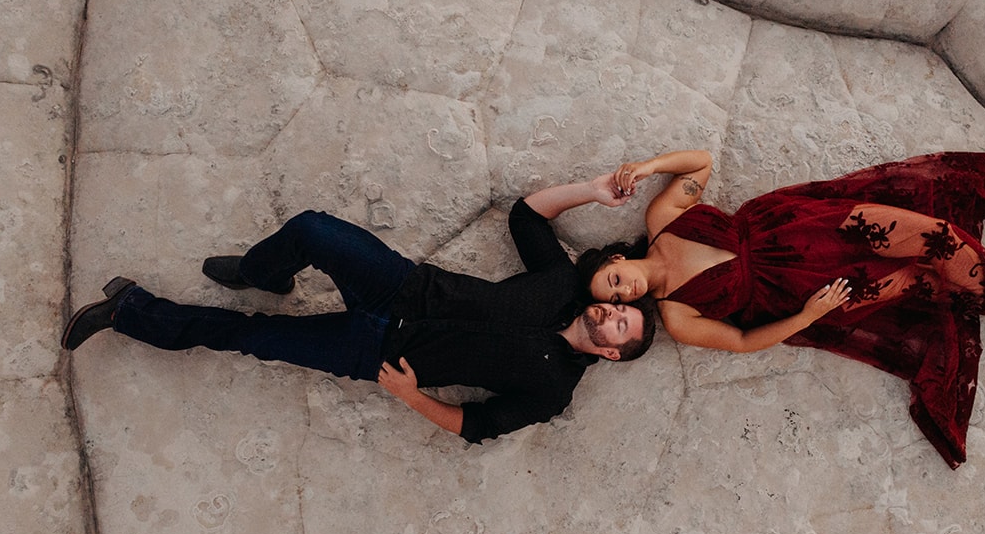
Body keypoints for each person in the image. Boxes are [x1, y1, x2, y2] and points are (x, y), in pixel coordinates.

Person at [61, 174, 659, 442]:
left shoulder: (553, 390)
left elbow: (478, 426)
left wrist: (410, 397)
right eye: (617, 307)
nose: (610, 312)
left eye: (620, 324)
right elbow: (527, 215)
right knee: (314, 230)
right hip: (403, 287)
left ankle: (127, 312)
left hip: (377, 353)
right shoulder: (562, 282)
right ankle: (257, 272)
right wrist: (593, 190)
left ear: (610, 352)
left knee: (252, 336)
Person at [571, 150, 985, 468]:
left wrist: (647, 167)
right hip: (804, 291)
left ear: (617, 258)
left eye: (614, 279)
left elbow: (699, 162)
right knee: (916, 281)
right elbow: (744, 341)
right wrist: (808, 316)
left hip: (799, 226)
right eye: (616, 299)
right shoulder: (678, 318)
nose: (624, 290)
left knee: (928, 234)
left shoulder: (661, 217)